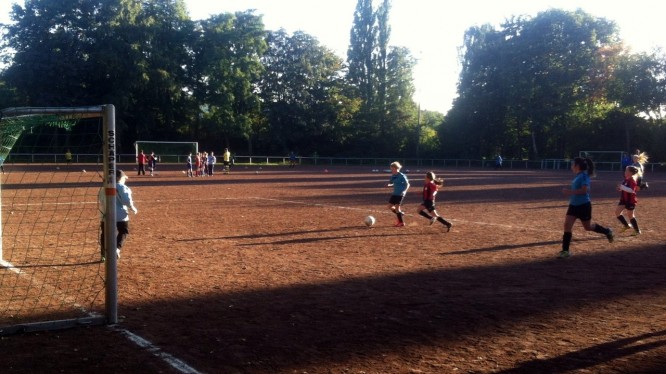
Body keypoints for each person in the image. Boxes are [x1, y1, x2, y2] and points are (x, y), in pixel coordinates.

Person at [558, 157, 614, 258]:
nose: (571, 167)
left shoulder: (584, 176)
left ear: (577, 166)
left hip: (584, 205)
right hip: (573, 205)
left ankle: (607, 231)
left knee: (588, 227)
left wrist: (569, 192)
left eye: (572, 164)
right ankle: (565, 251)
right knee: (567, 226)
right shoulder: (578, 176)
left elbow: (585, 190)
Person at [99, 169, 138, 261]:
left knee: (105, 234)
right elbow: (126, 200)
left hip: (105, 214)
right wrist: (132, 207)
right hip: (120, 215)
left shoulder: (104, 187)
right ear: (118, 178)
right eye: (124, 178)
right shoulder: (122, 187)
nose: (125, 180)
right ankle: (116, 249)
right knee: (123, 231)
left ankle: (103, 254)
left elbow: (101, 200)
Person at [615, 165, 641, 236]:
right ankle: (626, 225)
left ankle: (637, 230)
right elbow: (624, 188)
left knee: (630, 216)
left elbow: (632, 190)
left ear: (630, 173)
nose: (625, 172)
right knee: (617, 212)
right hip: (623, 200)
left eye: (626, 170)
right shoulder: (626, 180)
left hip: (630, 201)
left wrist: (622, 187)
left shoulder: (632, 181)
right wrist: (620, 188)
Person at [387, 161, 410, 227]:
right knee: (389, 206)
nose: (391, 170)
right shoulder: (393, 176)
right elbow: (391, 183)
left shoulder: (402, 176)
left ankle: (401, 222)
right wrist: (389, 185)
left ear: (397, 168)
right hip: (394, 193)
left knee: (397, 208)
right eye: (391, 169)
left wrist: (405, 191)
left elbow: (408, 184)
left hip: (400, 194)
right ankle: (400, 214)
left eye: (392, 169)